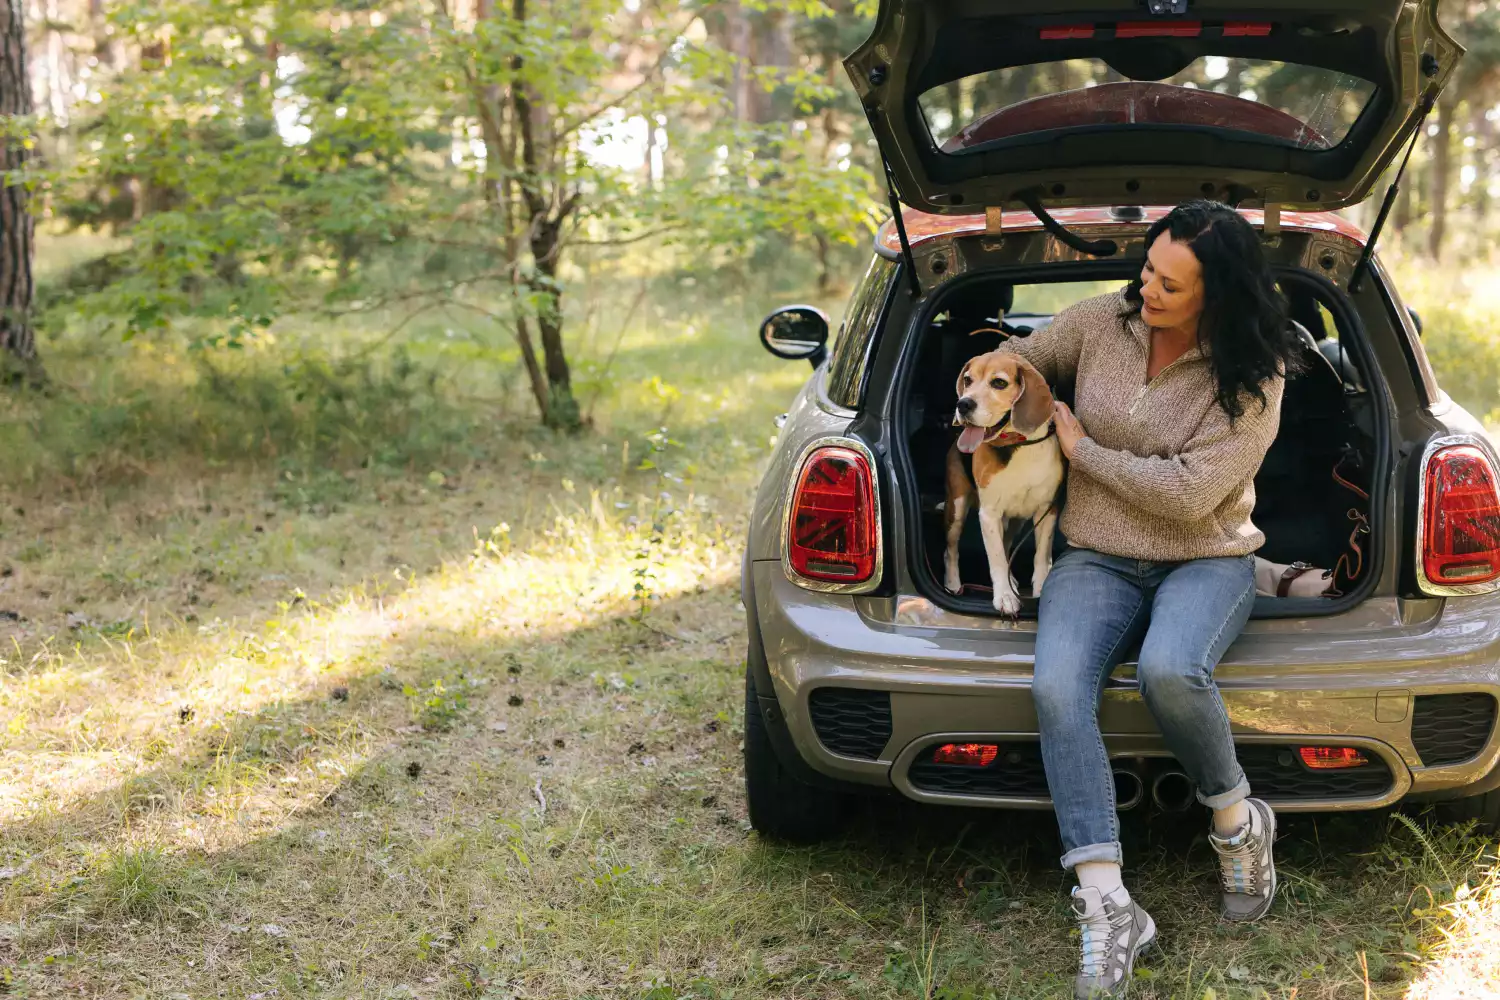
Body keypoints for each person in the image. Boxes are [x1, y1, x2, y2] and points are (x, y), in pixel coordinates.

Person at [1000, 201, 1302, 999]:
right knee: (1058, 687)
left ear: (1219, 293)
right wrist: (1010, 398)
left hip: (1205, 555)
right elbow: (1019, 355)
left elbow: (1185, 496)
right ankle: (1107, 905)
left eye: (1170, 283)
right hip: (1094, 555)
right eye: (1146, 270)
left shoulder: (1255, 373)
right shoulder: (1102, 322)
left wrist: (1079, 451)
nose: (1147, 290)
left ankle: (1238, 824)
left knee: (1173, 671)